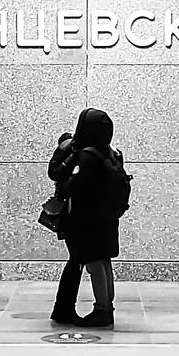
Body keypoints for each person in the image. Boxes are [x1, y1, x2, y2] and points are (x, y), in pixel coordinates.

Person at [47, 107, 122, 330]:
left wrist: (64, 186)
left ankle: (102, 311)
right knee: (104, 262)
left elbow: (75, 186)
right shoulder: (112, 153)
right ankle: (106, 308)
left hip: (87, 219)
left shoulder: (87, 155)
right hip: (107, 217)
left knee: (94, 264)